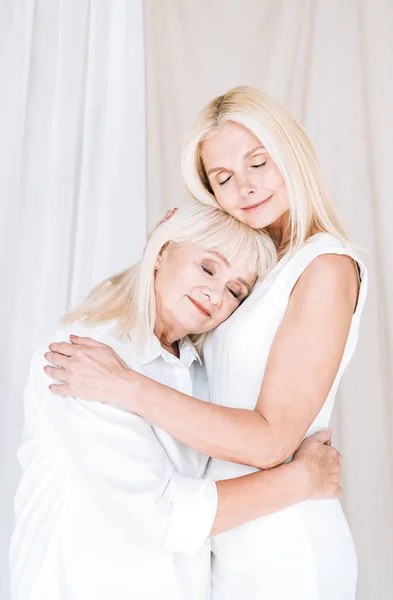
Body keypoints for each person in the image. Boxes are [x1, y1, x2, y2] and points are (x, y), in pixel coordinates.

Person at [45, 87, 367, 600]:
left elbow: (270, 442)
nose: (246, 188)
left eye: (258, 163)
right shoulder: (253, 272)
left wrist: (126, 387)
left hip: (283, 546)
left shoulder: (324, 266)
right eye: (223, 178)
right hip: (224, 542)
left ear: (289, 152)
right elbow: (172, 301)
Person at [10, 202, 341, 600]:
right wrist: (301, 480)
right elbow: (159, 515)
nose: (216, 294)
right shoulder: (80, 357)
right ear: (163, 249)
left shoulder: (198, 373)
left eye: (236, 291)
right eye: (208, 267)